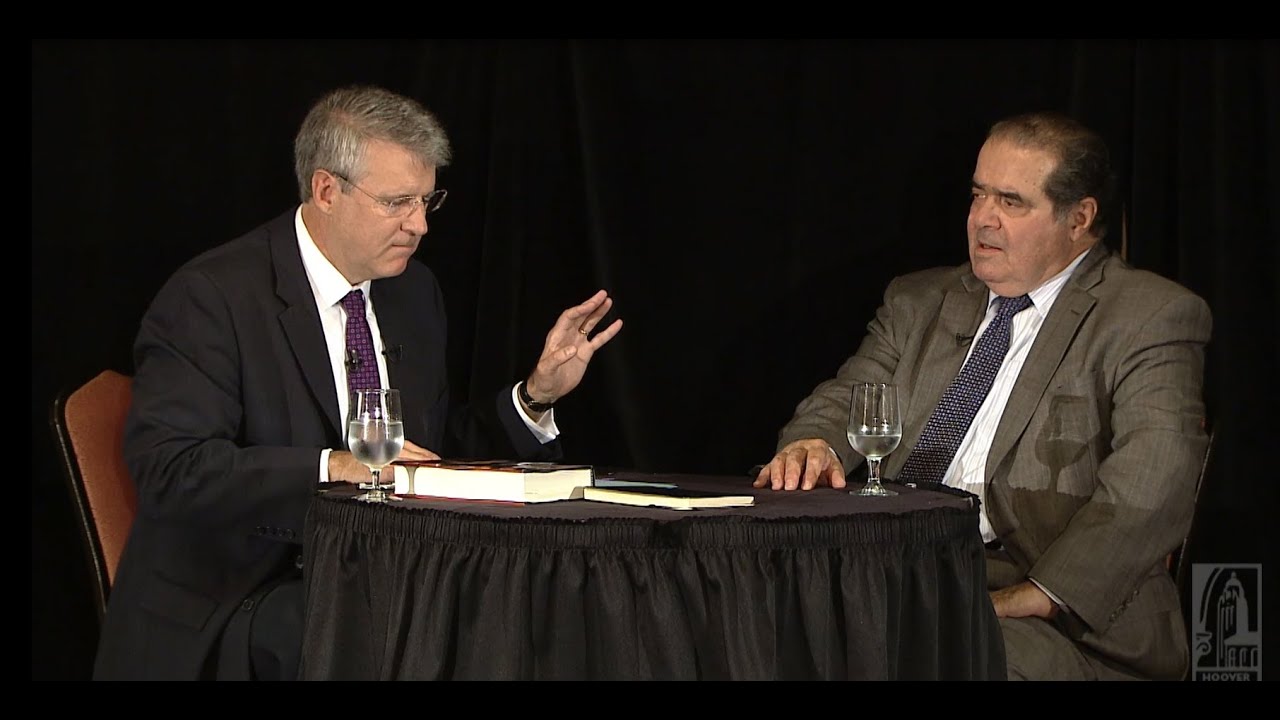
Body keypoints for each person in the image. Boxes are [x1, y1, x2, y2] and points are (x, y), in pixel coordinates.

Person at [93, 85, 622, 680]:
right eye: (397, 203)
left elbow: (427, 454)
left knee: (535, 612)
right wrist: (334, 467)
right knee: (380, 634)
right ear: (326, 191)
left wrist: (535, 396)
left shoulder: (412, 293)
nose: (419, 225)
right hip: (241, 590)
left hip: (383, 571)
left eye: (426, 201)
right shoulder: (213, 297)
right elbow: (172, 469)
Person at [753, 111, 1210, 681]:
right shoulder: (919, 300)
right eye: (978, 195)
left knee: (921, 658)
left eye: (1011, 202)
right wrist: (813, 443)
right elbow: (847, 397)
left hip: (1050, 614)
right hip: (892, 574)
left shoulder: (1149, 316)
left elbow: (1155, 480)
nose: (982, 219)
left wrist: (1037, 595)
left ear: (1079, 218)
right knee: (753, 627)